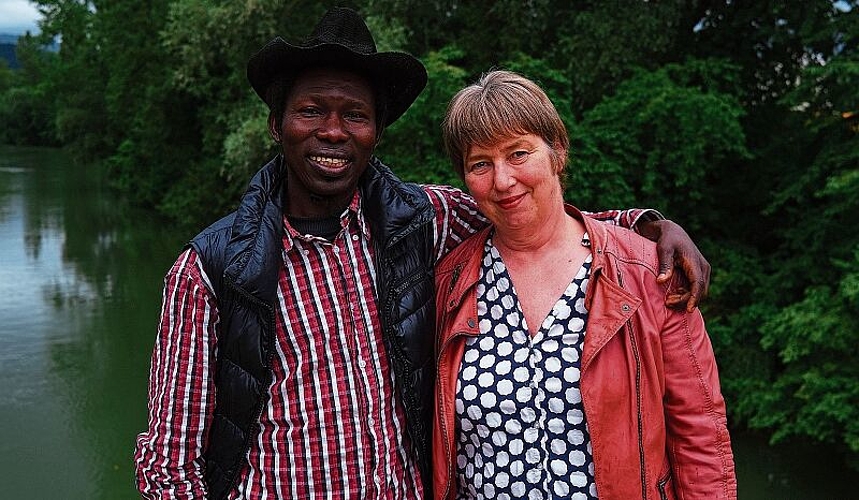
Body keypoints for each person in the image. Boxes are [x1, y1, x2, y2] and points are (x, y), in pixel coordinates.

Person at [133, 8, 712, 500]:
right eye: (311, 110)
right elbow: (169, 461)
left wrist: (650, 226)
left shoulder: (421, 222)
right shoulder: (210, 270)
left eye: (355, 115)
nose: (333, 131)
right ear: (276, 123)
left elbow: (528, 212)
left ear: (376, 131)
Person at [432, 70, 736, 500]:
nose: (501, 180)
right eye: (480, 164)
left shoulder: (649, 273)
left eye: (518, 153)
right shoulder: (449, 282)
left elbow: (700, 434)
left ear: (557, 152)